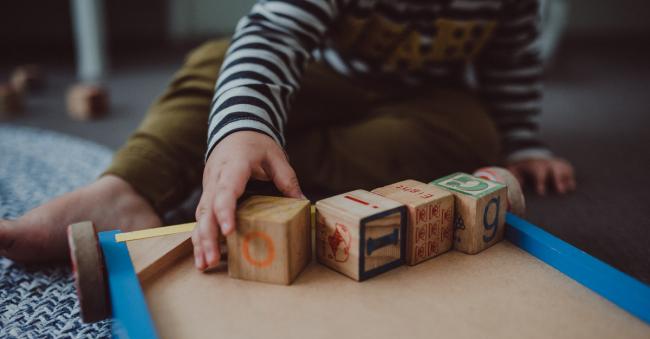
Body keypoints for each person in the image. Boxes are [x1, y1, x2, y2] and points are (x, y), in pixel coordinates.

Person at [0, 0, 575, 269]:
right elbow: (269, 38)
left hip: (421, 102)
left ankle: (265, 170)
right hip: (311, 77)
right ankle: (128, 188)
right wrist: (243, 127)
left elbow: (511, 62)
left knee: (474, 130)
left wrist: (523, 142)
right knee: (217, 63)